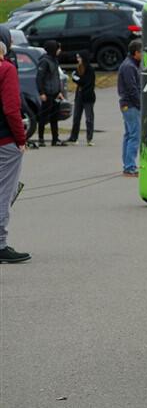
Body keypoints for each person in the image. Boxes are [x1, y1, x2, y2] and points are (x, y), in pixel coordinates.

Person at [0, 41, 30, 263]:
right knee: (5, 191)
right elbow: (11, 108)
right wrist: (21, 138)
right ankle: (0, 243)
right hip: (4, 139)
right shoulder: (6, 69)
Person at [117, 40, 142, 177]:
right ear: (136, 52)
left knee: (128, 135)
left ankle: (127, 165)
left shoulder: (132, 65)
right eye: (142, 52)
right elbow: (132, 89)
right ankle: (130, 167)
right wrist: (140, 104)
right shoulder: (129, 67)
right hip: (131, 105)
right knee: (134, 135)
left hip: (129, 105)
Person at [36, 40, 66, 147]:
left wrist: (59, 92)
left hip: (55, 93)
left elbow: (56, 78)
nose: (60, 50)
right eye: (58, 48)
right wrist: (42, 92)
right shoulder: (44, 61)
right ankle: (41, 138)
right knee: (43, 117)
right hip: (47, 93)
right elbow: (39, 78)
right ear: (53, 49)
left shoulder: (55, 60)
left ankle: (55, 139)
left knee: (55, 117)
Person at [67, 53, 96, 146]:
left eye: (79, 57)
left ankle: (89, 138)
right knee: (76, 117)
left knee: (89, 118)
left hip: (88, 96)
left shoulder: (90, 69)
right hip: (79, 95)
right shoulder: (78, 68)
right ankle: (73, 137)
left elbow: (84, 81)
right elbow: (75, 77)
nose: (77, 59)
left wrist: (78, 79)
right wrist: (77, 79)